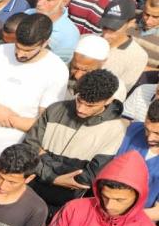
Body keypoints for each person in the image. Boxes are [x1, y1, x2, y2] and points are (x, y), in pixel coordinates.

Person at [21, 68, 124, 210]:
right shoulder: (55, 110)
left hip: (64, 205)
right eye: (79, 101)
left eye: (90, 106)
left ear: (108, 100)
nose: (81, 109)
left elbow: (86, 179)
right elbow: (27, 151)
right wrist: (54, 178)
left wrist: (44, 157)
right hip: (28, 191)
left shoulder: (115, 130)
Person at [0, 13, 69, 168]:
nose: (20, 54)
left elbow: (43, 124)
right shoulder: (0, 51)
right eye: (17, 47)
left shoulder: (57, 70)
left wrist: (5, 117)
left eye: (28, 50)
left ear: (45, 43)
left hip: (7, 155)